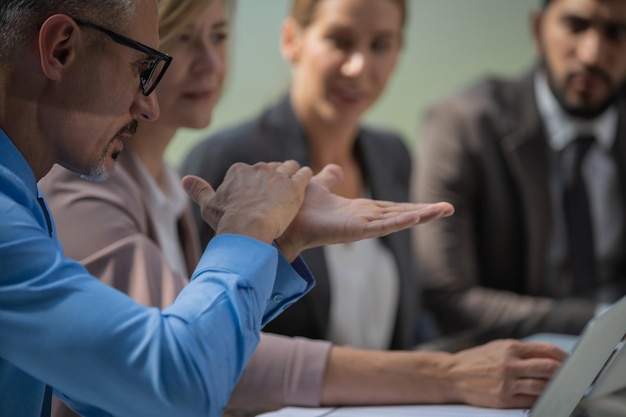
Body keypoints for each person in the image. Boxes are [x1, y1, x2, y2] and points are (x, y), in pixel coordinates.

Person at [39, 0, 567, 412]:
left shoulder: (173, 189)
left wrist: (277, 247)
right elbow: (188, 364)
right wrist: (445, 375)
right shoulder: (116, 180)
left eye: (219, 36)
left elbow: (213, 339)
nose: (207, 63)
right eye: (172, 43)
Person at [181, 0, 429, 351]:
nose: (359, 67)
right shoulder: (231, 165)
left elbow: (413, 317)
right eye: (340, 41)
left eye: (380, 45)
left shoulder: (393, 155)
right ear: (291, 40)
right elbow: (208, 331)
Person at [413, 0, 626, 344]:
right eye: (576, 26)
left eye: (617, 32)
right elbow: (446, 296)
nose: (592, 54)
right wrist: (602, 321)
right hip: (504, 362)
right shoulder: (463, 124)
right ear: (538, 29)